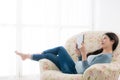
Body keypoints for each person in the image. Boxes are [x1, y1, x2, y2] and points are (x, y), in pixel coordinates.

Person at [15, 32, 119, 74]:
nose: (101, 40)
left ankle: (39, 53)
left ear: (112, 41)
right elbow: (82, 64)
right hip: (74, 66)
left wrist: (83, 54)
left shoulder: (106, 58)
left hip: (73, 71)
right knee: (49, 56)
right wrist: (79, 55)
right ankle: (27, 56)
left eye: (104, 38)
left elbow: (87, 71)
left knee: (60, 49)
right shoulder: (99, 53)